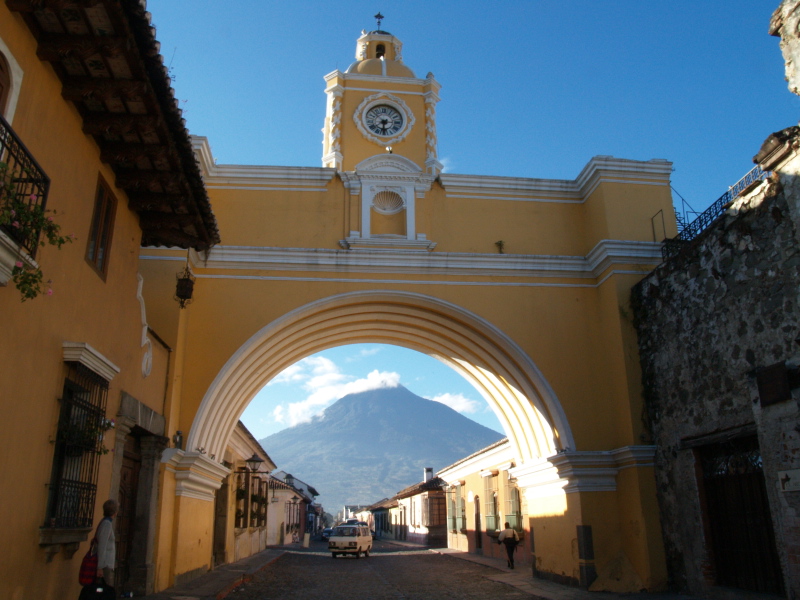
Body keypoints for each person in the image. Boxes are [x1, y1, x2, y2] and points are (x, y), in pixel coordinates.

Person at [96, 499, 118, 588]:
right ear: (115, 512)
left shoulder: (106, 523)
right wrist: (100, 567)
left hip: (106, 565)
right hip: (105, 566)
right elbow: (102, 546)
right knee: (106, 591)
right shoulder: (106, 524)